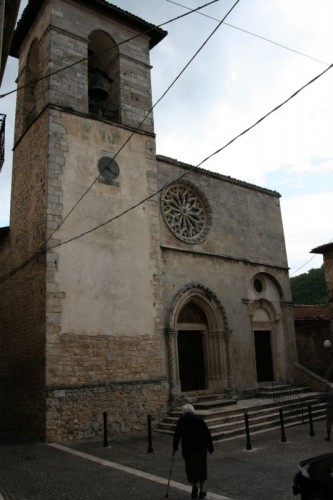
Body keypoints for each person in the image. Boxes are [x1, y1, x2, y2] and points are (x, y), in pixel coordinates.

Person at [173, 403, 214, 499]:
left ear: (184, 412)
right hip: (201, 449)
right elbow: (207, 434)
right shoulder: (199, 419)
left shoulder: (181, 421)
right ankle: (202, 490)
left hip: (188, 450)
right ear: (193, 411)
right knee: (202, 469)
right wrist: (210, 447)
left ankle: (194, 486)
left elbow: (177, 435)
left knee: (191, 469)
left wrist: (175, 447)